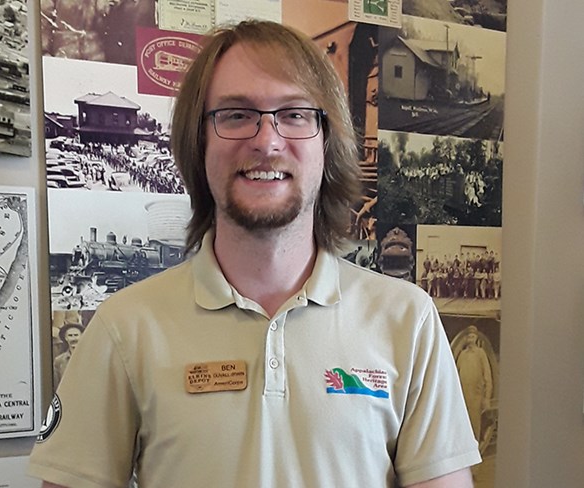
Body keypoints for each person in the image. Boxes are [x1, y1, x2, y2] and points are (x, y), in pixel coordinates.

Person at [29, 20, 480, 488]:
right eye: (236, 114)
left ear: (327, 142)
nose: (266, 141)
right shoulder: (123, 329)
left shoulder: (408, 321)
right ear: (198, 142)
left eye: (295, 114)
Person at [52, 323, 84, 389]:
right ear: (66, 338)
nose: (73, 338)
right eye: (70, 336)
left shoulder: (89, 357)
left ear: (81, 336)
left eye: (76, 335)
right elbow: (56, 385)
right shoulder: (59, 360)